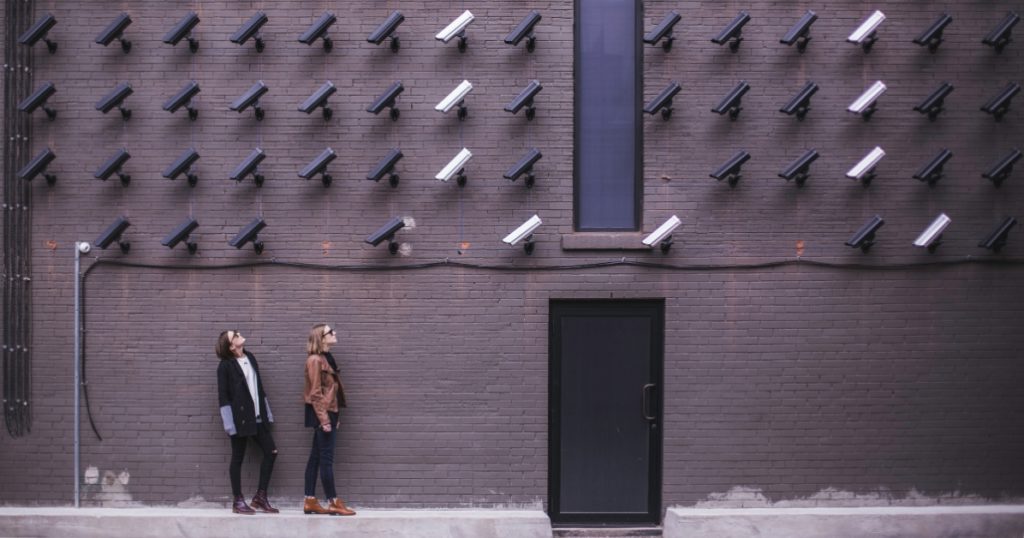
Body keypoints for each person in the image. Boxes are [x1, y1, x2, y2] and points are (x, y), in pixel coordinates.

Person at [215, 330, 279, 515]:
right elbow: (223, 397)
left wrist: (267, 413)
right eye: (234, 335)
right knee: (237, 458)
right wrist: (230, 425)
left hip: (258, 418)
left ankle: (260, 497)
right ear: (230, 345)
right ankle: (238, 501)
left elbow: (259, 388)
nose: (239, 334)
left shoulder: (250, 357)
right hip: (239, 420)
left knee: (271, 452)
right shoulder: (225, 366)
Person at [302, 323, 355, 516]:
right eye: (330, 332)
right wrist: (325, 419)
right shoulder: (315, 360)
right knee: (326, 459)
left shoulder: (326, 358)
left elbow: (331, 391)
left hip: (327, 412)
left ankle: (309, 500)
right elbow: (315, 393)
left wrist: (335, 415)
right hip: (321, 413)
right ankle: (333, 501)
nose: (335, 333)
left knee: (316, 458)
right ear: (321, 338)